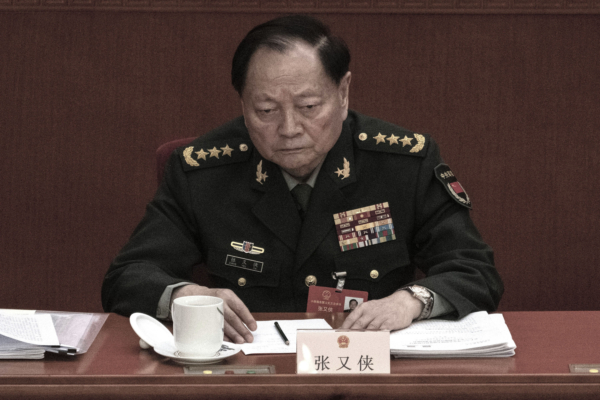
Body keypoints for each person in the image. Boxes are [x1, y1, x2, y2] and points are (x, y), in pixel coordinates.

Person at [102, 15, 503, 344]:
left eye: (308, 106)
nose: (289, 128)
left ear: (343, 93)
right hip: (248, 372)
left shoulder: (402, 165)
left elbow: (474, 270)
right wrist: (187, 296)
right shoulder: (204, 173)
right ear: (243, 104)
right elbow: (127, 277)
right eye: (266, 110)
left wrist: (411, 301)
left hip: (366, 368)